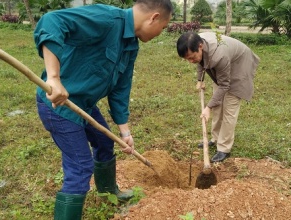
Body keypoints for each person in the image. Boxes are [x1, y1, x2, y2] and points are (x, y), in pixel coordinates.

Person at [33, 1, 172, 219]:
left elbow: (120, 89)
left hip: (84, 105)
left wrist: (125, 132)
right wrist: (53, 78)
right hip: (59, 107)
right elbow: (52, 21)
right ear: (154, 18)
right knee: (80, 166)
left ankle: (108, 192)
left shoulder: (131, 45)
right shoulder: (106, 19)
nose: (160, 33)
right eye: (163, 28)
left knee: (105, 142)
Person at [176, 31, 260, 163]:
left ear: (200, 47)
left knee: (229, 109)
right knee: (218, 106)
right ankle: (215, 139)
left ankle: (224, 148)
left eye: (192, 57)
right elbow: (200, 61)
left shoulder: (219, 55)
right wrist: (200, 79)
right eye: (187, 59)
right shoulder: (196, 42)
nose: (191, 61)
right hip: (223, 66)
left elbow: (224, 85)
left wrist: (207, 107)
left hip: (240, 64)